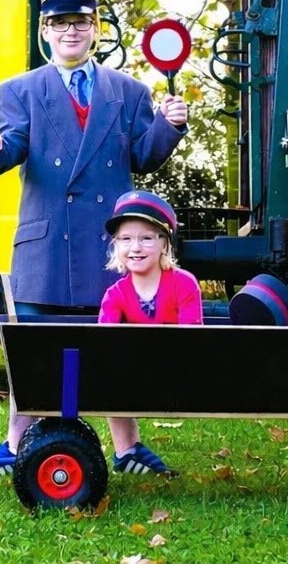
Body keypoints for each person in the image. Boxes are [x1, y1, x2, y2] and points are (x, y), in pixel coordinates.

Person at [0, 0, 187, 476]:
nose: (71, 31)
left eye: (81, 21)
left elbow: (143, 157)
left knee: (114, 348)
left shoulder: (128, 91)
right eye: (60, 22)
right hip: (47, 246)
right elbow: (11, 144)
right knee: (37, 351)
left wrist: (169, 125)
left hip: (109, 246)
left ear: (96, 28)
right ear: (45, 31)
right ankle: (14, 444)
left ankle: (127, 448)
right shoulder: (19, 89)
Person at [97, 190, 202, 474]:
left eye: (146, 238)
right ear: (116, 246)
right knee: (108, 374)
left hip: (178, 373)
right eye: (126, 239)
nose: (135, 247)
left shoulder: (184, 284)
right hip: (133, 375)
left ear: (164, 244)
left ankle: (130, 451)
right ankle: (127, 451)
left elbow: (193, 340)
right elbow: (104, 343)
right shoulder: (115, 294)